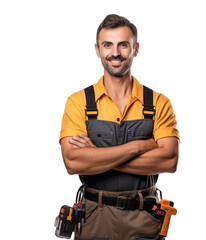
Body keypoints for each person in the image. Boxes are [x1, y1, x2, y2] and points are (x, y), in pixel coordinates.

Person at [59, 14, 179, 240]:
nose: (115, 52)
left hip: (145, 215)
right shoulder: (78, 103)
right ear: (97, 50)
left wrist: (97, 157)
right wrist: (138, 147)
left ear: (135, 49)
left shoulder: (158, 103)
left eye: (123, 45)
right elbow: (73, 162)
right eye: (108, 45)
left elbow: (169, 161)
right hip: (94, 216)